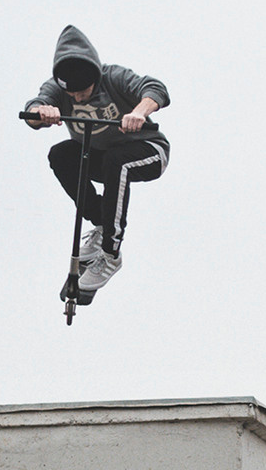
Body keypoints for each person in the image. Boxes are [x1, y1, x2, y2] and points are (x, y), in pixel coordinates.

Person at [23, 25, 169, 304]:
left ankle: (111, 254)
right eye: (72, 94)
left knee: (117, 161)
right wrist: (40, 112)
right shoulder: (57, 88)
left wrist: (139, 112)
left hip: (149, 152)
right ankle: (101, 225)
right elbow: (34, 108)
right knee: (61, 154)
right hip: (101, 159)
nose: (78, 98)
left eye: (83, 91)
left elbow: (155, 88)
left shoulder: (113, 76)